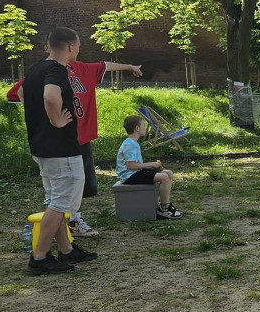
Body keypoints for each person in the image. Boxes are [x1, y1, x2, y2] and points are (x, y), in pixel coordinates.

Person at [10, 54, 143, 237]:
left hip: (77, 137)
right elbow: (22, 92)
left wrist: (129, 66)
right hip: (62, 138)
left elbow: (105, 65)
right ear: (71, 47)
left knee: (73, 187)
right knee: (63, 190)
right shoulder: (50, 70)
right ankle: (57, 234)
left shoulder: (79, 69)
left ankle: (68, 229)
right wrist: (45, 120)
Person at [20, 27, 98, 274]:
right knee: (60, 204)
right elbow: (51, 97)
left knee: (56, 200)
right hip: (61, 148)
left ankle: (66, 250)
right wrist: (55, 121)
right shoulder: (57, 69)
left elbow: (21, 92)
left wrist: (40, 120)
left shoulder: (35, 68)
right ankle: (39, 258)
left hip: (42, 146)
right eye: (78, 46)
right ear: (70, 47)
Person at [116, 115, 183, 219]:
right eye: (143, 125)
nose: (145, 128)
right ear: (137, 128)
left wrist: (151, 168)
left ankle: (166, 205)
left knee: (169, 173)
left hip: (135, 174)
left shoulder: (133, 143)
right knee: (164, 177)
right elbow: (131, 166)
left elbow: (135, 165)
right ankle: (164, 209)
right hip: (129, 177)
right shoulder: (130, 145)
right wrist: (151, 164)